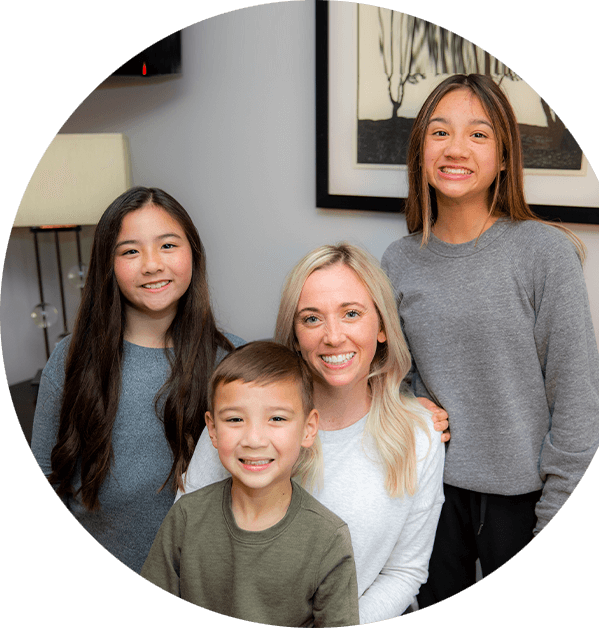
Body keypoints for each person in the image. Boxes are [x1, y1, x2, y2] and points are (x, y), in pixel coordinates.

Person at [381, 74, 599, 607]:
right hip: (431, 492)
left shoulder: (543, 253)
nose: (456, 148)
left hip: (527, 501)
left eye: (478, 135)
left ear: (504, 159)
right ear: (420, 151)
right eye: (440, 132)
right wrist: (412, 404)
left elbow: (576, 399)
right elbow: (394, 376)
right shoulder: (398, 260)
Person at [179, 243, 446, 623]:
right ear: (295, 334)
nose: (333, 337)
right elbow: (188, 533)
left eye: (351, 314)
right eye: (311, 319)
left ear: (383, 327)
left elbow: (405, 573)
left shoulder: (420, 434)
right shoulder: (245, 415)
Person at [30, 186, 244, 574]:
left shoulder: (233, 361)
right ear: (107, 265)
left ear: (193, 253)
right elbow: (47, 470)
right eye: (130, 251)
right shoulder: (70, 359)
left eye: (167, 245)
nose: (151, 264)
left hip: (205, 583)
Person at [141, 341, 360, 626]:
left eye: (277, 418)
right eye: (235, 419)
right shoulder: (186, 517)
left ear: (308, 429)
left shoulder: (328, 538)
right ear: (213, 430)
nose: (254, 440)